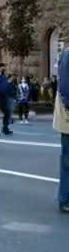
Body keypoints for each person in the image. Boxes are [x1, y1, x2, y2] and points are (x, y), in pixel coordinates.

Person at [53, 45, 69, 214]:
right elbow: (65, 88)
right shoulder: (68, 55)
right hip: (68, 115)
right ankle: (64, 199)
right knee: (68, 160)